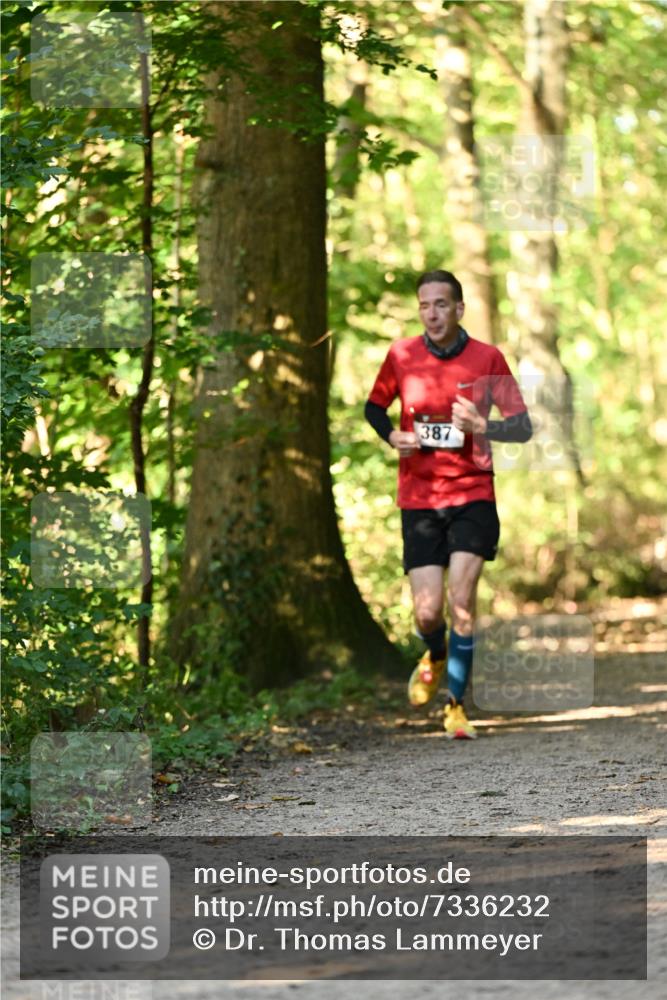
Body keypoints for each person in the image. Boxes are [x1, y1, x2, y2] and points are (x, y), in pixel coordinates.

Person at [365, 269, 532, 739]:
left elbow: (521, 426)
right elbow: (374, 408)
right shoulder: (402, 355)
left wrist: (482, 425)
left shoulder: (487, 357)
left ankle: (456, 707)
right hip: (420, 497)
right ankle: (435, 653)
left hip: (473, 493)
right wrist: (392, 436)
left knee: (462, 600)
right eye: (424, 305)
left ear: (459, 308)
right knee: (427, 612)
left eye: (441, 304)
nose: (432, 314)